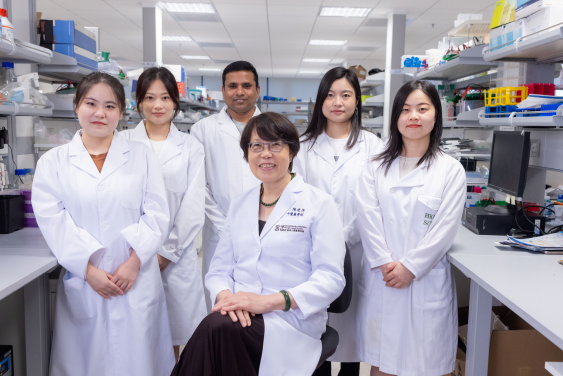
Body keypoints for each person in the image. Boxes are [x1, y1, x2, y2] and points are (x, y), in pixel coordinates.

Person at [171, 112, 346, 376]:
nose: (266, 154)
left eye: (275, 145)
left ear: (291, 151)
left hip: (291, 318)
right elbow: (218, 271)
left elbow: (331, 279)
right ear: (247, 154)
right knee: (219, 327)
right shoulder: (241, 204)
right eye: (256, 146)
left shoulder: (318, 204)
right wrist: (229, 300)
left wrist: (267, 303)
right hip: (240, 313)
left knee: (215, 329)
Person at [31, 72, 175, 376]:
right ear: (76, 106)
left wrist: (135, 262)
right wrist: (88, 270)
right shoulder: (53, 163)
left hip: (135, 279)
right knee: (87, 364)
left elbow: (158, 213)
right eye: (91, 103)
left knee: (139, 363)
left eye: (110, 106)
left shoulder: (141, 156)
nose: (100, 113)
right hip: (86, 283)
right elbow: (55, 224)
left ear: (121, 113)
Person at [355, 80, 466, 376]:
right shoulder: (374, 167)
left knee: (427, 364)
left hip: (424, 280)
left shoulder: (450, 170)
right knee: (383, 365)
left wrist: (411, 268)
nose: (413, 116)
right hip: (385, 279)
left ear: (436, 115)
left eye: (422, 108)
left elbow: (445, 228)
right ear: (396, 118)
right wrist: (387, 264)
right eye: (405, 110)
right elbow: (368, 219)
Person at [293, 67, 384, 376]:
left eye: (346, 95)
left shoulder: (374, 146)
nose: (338, 102)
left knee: (351, 333)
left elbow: (374, 200)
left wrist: (345, 234)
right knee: (316, 329)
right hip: (312, 249)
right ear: (320, 101)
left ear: (357, 101)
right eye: (330, 95)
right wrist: (328, 236)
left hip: (359, 248)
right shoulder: (303, 147)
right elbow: (298, 196)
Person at [121, 67, 206, 361]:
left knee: (173, 333)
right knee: (134, 334)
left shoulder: (191, 146)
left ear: (175, 102)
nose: (157, 105)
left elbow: (193, 207)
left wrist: (166, 254)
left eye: (165, 97)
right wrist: (140, 254)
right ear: (138, 102)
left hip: (175, 258)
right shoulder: (121, 143)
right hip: (128, 256)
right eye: (149, 97)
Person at [191, 61, 262, 312]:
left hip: (264, 229)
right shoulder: (202, 130)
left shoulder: (273, 126)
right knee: (220, 306)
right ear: (223, 91)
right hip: (218, 233)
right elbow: (200, 186)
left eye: (246, 86)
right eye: (232, 86)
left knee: (260, 305)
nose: (239, 91)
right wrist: (226, 227)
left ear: (257, 89)